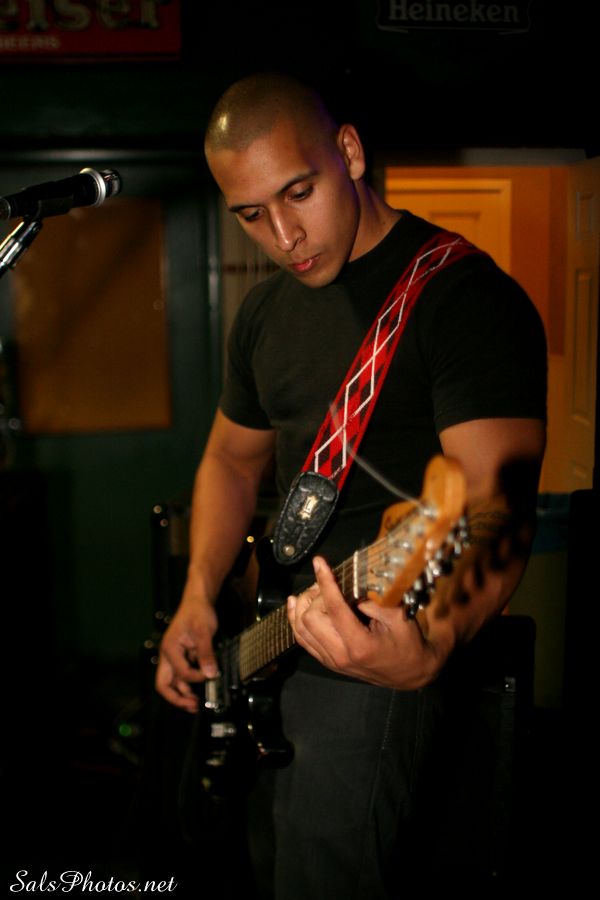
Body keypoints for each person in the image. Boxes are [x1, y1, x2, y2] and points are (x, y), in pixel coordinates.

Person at [155, 72, 547, 898]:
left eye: (299, 193)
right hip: (266, 646)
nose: (284, 235)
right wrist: (197, 595)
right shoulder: (263, 314)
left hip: (370, 661)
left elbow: (494, 508)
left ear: (350, 152)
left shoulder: (465, 299)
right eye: (251, 215)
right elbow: (230, 460)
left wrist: (433, 642)